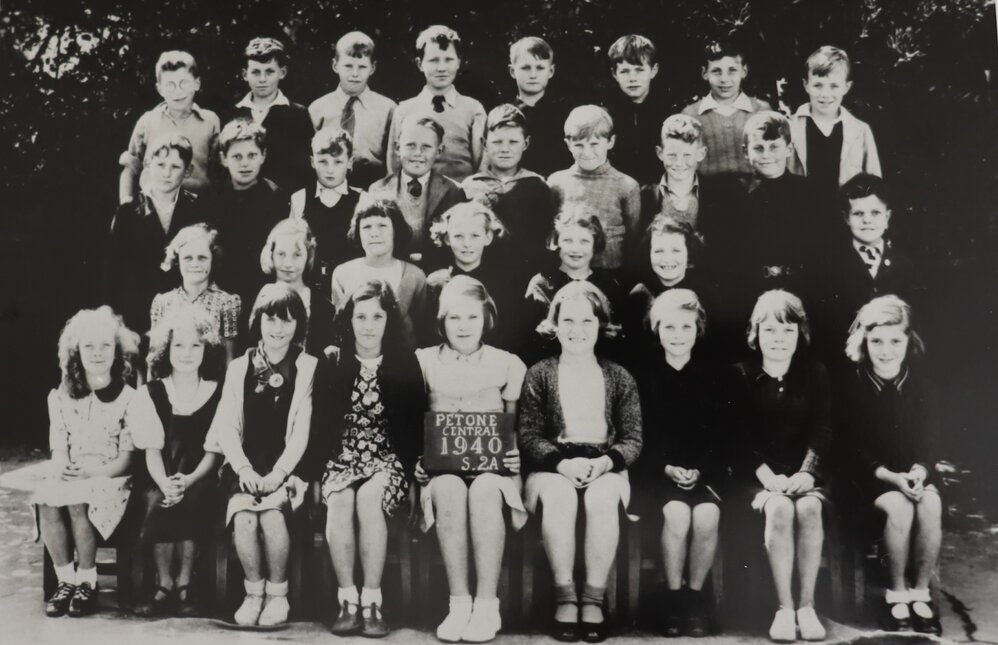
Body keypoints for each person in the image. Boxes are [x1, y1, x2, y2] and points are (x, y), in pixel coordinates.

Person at [518, 281, 643, 643]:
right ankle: (565, 597)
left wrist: (607, 463)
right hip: (551, 467)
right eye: (568, 321)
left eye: (587, 321)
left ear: (601, 325)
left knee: (601, 498)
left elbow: (633, 438)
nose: (577, 330)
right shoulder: (539, 373)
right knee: (561, 496)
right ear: (554, 324)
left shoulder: (619, 376)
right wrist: (560, 463)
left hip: (604, 464)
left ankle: (593, 598)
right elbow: (528, 434)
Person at [311, 280, 427, 638]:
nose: (368, 325)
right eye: (360, 316)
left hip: (386, 458)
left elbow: (413, 427)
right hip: (341, 456)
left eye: (377, 316)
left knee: (369, 497)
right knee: (343, 499)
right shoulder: (332, 360)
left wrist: (411, 478)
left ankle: (372, 601)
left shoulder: (404, 363)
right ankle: (347, 599)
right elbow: (319, 425)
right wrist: (315, 476)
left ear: (389, 320)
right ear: (347, 319)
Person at [414, 276, 527, 643]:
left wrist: (514, 458)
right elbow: (414, 421)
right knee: (447, 488)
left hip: (492, 473)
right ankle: (458, 602)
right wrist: (419, 460)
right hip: (443, 470)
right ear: (441, 321)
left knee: (484, 490)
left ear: (486, 319)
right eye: (454, 318)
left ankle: (486, 604)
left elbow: (513, 429)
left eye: (472, 318)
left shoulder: (506, 363)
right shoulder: (424, 361)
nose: (463, 327)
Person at [203, 283, 318, 627]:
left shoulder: (308, 367)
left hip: (286, 469)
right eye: (271, 319)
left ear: (299, 325)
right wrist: (242, 467)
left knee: (271, 515)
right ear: (258, 321)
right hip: (245, 466)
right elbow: (227, 426)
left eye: (287, 320)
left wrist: (279, 474)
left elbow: (302, 433)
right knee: (244, 516)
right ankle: (253, 594)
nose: (278, 329)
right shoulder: (239, 366)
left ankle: (277, 595)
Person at [729, 290, 831, 642]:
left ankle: (808, 606)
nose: (779, 339)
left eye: (788, 331)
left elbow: (823, 429)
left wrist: (807, 472)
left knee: (809, 508)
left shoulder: (815, 374)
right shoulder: (739, 375)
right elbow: (736, 439)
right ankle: (784, 609)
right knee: (781, 510)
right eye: (770, 331)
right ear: (754, 334)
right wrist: (769, 479)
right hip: (756, 479)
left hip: (805, 476)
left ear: (800, 334)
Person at [841, 296, 942, 635]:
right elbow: (852, 451)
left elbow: (929, 442)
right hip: (866, 483)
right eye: (877, 341)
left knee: (931, 502)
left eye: (895, 341)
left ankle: (921, 591)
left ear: (908, 341)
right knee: (899, 505)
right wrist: (890, 477)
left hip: (910, 476)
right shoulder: (852, 386)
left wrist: (919, 471)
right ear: (864, 341)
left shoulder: (921, 385)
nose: (886, 350)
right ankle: (895, 590)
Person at [34, 307, 140, 618]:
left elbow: (126, 460)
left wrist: (93, 473)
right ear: (75, 351)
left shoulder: (129, 398)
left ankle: (87, 580)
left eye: (105, 346)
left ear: (117, 351)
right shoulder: (61, 397)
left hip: (110, 479)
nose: (97, 353)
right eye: (88, 346)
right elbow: (58, 443)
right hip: (73, 473)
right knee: (47, 499)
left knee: (79, 500)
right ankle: (65, 579)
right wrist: (61, 465)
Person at [633, 290, 725, 637]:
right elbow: (637, 435)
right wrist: (666, 468)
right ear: (656, 329)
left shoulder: (714, 376)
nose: (677, 334)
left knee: (706, 515)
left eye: (686, 326)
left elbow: (722, 435)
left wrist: (702, 468)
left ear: (697, 328)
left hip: (704, 473)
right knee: (676, 513)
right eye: (669, 326)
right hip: (656, 474)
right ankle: (672, 599)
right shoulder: (643, 377)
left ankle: (695, 599)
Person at [128, 305, 225, 617]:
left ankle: (185, 582)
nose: (187, 353)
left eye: (196, 345)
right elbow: (151, 450)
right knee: (159, 500)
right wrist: (165, 482)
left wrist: (190, 479)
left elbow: (215, 451)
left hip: (202, 475)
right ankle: (164, 583)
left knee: (195, 498)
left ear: (206, 349)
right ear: (165, 350)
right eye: (178, 345)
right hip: (161, 473)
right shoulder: (151, 393)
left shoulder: (218, 392)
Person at [808, 174, 922, 373]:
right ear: (846, 218)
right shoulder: (829, 266)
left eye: (875, 213)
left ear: (887, 217)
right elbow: (825, 324)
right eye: (858, 214)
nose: (867, 220)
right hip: (843, 366)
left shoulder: (904, 266)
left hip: (891, 366)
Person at [105, 133, 206, 337]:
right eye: (160, 165)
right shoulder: (128, 211)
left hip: (183, 313)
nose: (166, 173)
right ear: (149, 165)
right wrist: (117, 320)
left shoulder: (197, 208)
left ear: (187, 171)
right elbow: (113, 269)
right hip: (137, 314)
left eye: (175, 167)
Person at [202, 118, 289, 309]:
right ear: (224, 159)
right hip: (218, 290)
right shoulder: (211, 199)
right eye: (237, 157)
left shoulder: (276, 197)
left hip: (261, 291)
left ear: (263, 156)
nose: (245, 164)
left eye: (252, 155)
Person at [461, 104, 556, 280]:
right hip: (482, 275)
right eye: (497, 142)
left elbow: (545, 238)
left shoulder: (537, 186)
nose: (505, 149)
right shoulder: (470, 187)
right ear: (484, 143)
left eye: (513, 142)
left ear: (526, 143)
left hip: (526, 276)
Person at [521, 209, 626, 365]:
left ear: (595, 245)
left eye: (584, 241)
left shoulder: (608, 284)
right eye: (568, 241)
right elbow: (527, 336)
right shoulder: (542, 283)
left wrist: (614, 334)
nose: (576, 249)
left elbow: (618, 334)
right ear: (556, 242)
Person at [387, 25, 487, 182]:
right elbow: (394, 166)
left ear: (459, 62)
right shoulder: (404, 111)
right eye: (433, 60)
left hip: (463, 198)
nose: (442, 68)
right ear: (420, 64)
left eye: (448, 60)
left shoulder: (473, 109)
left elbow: (482, 165)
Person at [330, 197, 431, 349]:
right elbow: (340, 328)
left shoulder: (415, 276)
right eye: (366, 227)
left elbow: (421, 328)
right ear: (358, 232)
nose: (374, 233)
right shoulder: (342, 274)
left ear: (395, 230)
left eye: (382, 225)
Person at [118, 51, 219, 203]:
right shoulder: (148, 121)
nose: (178, 91)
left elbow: (219, 170)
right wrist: (125, 203)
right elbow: (130, 168)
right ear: (160, 89)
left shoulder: (210, 121)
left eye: (184, 83)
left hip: (197, 206)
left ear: (197, 83)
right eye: (170, 85)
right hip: (151, 205)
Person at [548, 105, 641, 271]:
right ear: (567, 144)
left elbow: (632, 241)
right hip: (567, 275)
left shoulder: (627, 186)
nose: (587, 152)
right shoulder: (557, 183)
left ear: (610, 142)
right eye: (579, 145)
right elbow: (551, 235)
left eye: (594, 144)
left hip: (611, 276)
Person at [369, 114, 466, 267]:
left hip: (436, 271)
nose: (417, 153)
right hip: (392, 270)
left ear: (439, 151)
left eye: (426, 147)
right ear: (397, 147)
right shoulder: (378, 190)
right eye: (410, 145)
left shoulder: (453, 191)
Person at [788, 46, 881, 196]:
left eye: (834, 86)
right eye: (818, 85)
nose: (825, 94)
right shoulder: (790, 127)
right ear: (806, 85)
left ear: (846, 87)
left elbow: (875, 185)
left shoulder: (860, 131)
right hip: (801, 214)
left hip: (845, 216)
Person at [309, 31, 397, 188]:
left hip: (373, 186)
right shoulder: (318, 108)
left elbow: (394, 162)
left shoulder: (388, 109)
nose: (355, 74)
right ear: (335, 66)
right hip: (328, 185)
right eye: (348, 66)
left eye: (362, 67)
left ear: (373, 68)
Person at [426, 201, 517, 350]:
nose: (467, 244)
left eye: (475, 235)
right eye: (458, 236)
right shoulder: (436, 283)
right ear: (447, 239)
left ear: (488, 237)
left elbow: (507, 333)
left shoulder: (503, 283)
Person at [228, 37, 313, 193]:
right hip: (238, 203)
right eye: (255, 72)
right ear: (245, 74)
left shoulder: (297, 114)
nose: (262, 79)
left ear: (282, 72)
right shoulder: (232, 114)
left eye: (269, 71)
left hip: (283, 203)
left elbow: (304, 170)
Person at [289, 127, 365, 294]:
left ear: (350, 162)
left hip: (352, 286)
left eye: (338, 162)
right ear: (312, 161)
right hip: (310, 286)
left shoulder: (363, 199)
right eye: (323, 162)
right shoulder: (300, 198)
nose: (330, 170)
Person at [151, 223, 242, 362]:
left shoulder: (227, 302)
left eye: (202, 257)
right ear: (177, 260)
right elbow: (154, 356)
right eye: (188, 258)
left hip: (212, 380)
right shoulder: (163, 302)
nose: (195, 264)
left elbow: (228, 359)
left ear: (213, 259)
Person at [682, 41, 771, 180]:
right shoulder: (690, 115)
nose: (724, 79)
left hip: (756, 194)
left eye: (732, 70)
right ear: (704, 73)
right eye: (716, 71)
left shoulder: (761, 110)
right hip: (707, 194)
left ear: (744, 71)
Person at [260, 218, 337, 359]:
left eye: (297, 255)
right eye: (281, 254)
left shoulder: (324, 308)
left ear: (308, 256)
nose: (288, 264)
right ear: (271, 254)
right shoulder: (260, 300)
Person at [603, 34, 674, 186]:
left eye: (639, 70)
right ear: (614, 74)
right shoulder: (607, 117)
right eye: (624, 71)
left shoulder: (668, 115)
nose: (632, 78)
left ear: (653, 70)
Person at [506, 36, 571, 177]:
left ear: (551, 71)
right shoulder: (504, 115)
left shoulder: (565, 116)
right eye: (526, 68)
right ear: (512, 71)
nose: (533, 75)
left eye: (540, 68)